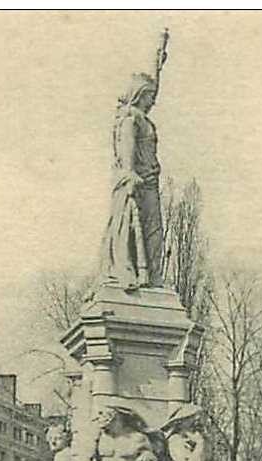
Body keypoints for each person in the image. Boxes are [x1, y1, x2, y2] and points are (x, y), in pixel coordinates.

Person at [100, 31, 171, 290]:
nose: (153, 100)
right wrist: (130, 174)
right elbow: (127, 149)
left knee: (153, 231)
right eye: (149, 96)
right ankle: (129, 272)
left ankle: (152, 276)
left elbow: (156, 88)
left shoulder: (142, 116)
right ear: (139, 95)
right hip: (136, 182)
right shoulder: (130, 119)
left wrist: (157, 63)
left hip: (149, 182)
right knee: (131, 230)